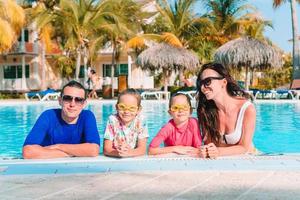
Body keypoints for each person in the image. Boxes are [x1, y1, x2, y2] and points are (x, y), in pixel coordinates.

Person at [22, 80, 100, 159]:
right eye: (67, 98)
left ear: (84, 104)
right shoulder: (48, 116)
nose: (72, 104)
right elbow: (28, 152)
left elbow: (93, 150)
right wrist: (74, 153)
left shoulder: (87, 116)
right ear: (60, 101)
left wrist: (58, 146)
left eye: (78, 100)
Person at [196, 63, 256, 158]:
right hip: (222, 161)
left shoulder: (246, 109)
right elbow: (209, 144)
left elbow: (244, 147)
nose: (203, 87)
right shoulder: (206, 111)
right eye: (200, 83)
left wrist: (218, 152)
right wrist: (205, 150)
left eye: (207, 81)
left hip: (248, 158)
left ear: (223, 82)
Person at [148, 93, 202, 157]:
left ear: (190, 111)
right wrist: (175, 148)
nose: (180, 110)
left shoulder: (194, 123)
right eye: (175, 108)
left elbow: (199, 149)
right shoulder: (168, 128)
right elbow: (151, 150)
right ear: (170, 112)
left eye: (184, 107)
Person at [103, 89, 149, 158]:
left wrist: (128, 153)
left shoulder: (141, 121)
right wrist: (118, 153)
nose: (126, 111)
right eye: (122, 107)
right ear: (116, 107)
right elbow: (106, 149)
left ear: (138, 110)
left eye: (132, 108)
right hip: (116, 156)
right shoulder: (112, 120)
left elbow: (142, 149)